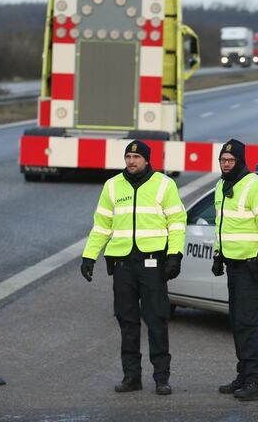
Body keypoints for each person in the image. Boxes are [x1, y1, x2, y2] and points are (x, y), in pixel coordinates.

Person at [79, 140, 187, 396]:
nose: (131, 161)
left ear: (147, 160)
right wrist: (89, 256)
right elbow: (102, 225)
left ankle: (161, 377)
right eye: (128, 156)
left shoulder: (164, 184)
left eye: (136, 157)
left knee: (156, 320)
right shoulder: (113, 185)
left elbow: (177, 222)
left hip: (152, 263)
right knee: (127, 321)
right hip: (123, 264)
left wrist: (175, 256)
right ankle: (132, 377)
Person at [211, 138, 258, 401]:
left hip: (252, 267)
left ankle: (256, 381)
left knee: (248, 323)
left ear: (240, 161)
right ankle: (244, 374)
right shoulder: (222, 186)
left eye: (230, 161)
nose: (226, 164)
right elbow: (222, 224)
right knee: (237, 322)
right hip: (233, 265)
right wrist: (218, 255)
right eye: (222, 160)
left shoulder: (255, 186)